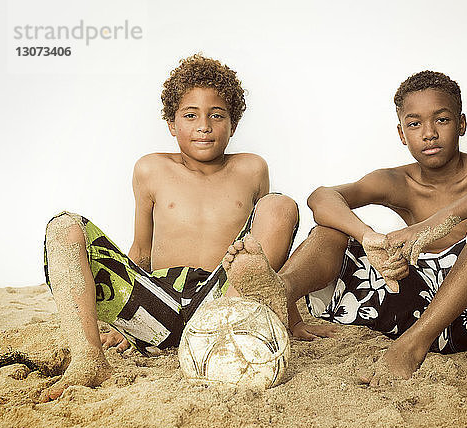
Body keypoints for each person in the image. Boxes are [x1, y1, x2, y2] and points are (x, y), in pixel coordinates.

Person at [222, 70, 467, 386]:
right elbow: (322, 197)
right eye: (415, 123)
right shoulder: (399, 181)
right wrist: (368, 237)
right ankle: (283, 290)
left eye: (441, 120)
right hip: (414, 306)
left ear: (461, 124)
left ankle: (413, 345)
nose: (428, 133)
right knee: (333, 227)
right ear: (402, 133)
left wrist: (435, 224)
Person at [42, 54, 299, 401]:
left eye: (217, 115)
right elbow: (141, 253)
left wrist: (291, 314)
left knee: (280, 206)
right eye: (190, 115)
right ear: (171, 124)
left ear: (234, 123)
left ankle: (255, 314)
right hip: (158, 303)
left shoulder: (252, 169)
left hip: (222, 303)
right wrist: (126, 323)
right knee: (63, 227)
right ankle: (88, 358)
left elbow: (265, 249)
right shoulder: (151, 169)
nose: (203, 125)